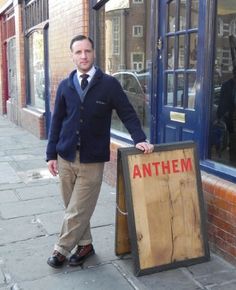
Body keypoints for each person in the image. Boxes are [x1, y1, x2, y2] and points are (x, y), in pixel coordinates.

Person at [46, 35, 154, 268]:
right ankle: (85, 245)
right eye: (78, 52)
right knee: (73, 207)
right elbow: (56, 122)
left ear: (94, 53)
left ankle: (61, 249)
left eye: (87, 51)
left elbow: (127, 112)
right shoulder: (66, 85)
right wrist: (50, 155)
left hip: (92, 159)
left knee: (77, 208)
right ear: (72, 55)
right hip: (65, 156)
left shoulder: (109, 84)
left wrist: (140, 139)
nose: (83, 56)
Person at [217, 66, 236, 165]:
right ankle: (232, 160)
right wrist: (221, 115)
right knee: (232, 138)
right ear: (233, 74)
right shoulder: (226, 85)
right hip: (230, 115)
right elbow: (222, 102)